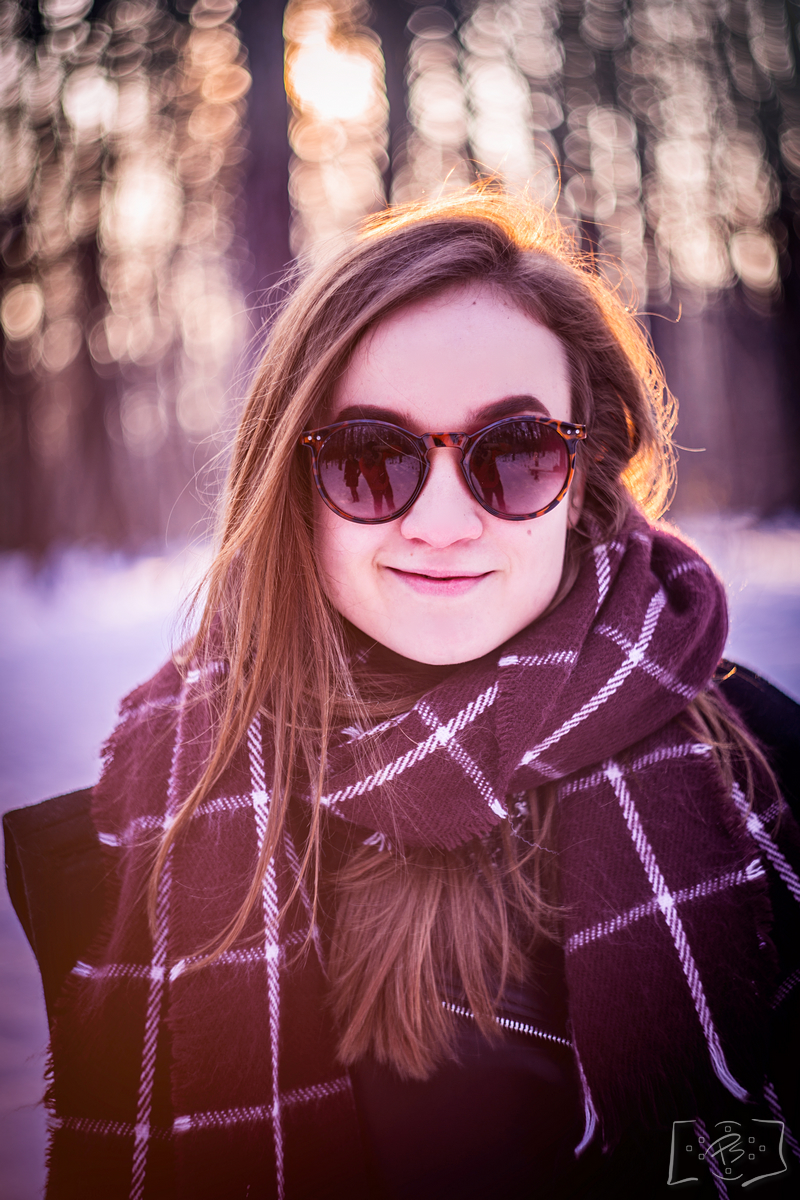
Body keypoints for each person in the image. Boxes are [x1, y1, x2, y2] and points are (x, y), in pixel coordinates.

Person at [14, 191, 800, 1199]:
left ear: (581, 469)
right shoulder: (147, 835)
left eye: (514, 454)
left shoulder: (761, 771)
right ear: (293, 480)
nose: (440, 524)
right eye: (369, 458)